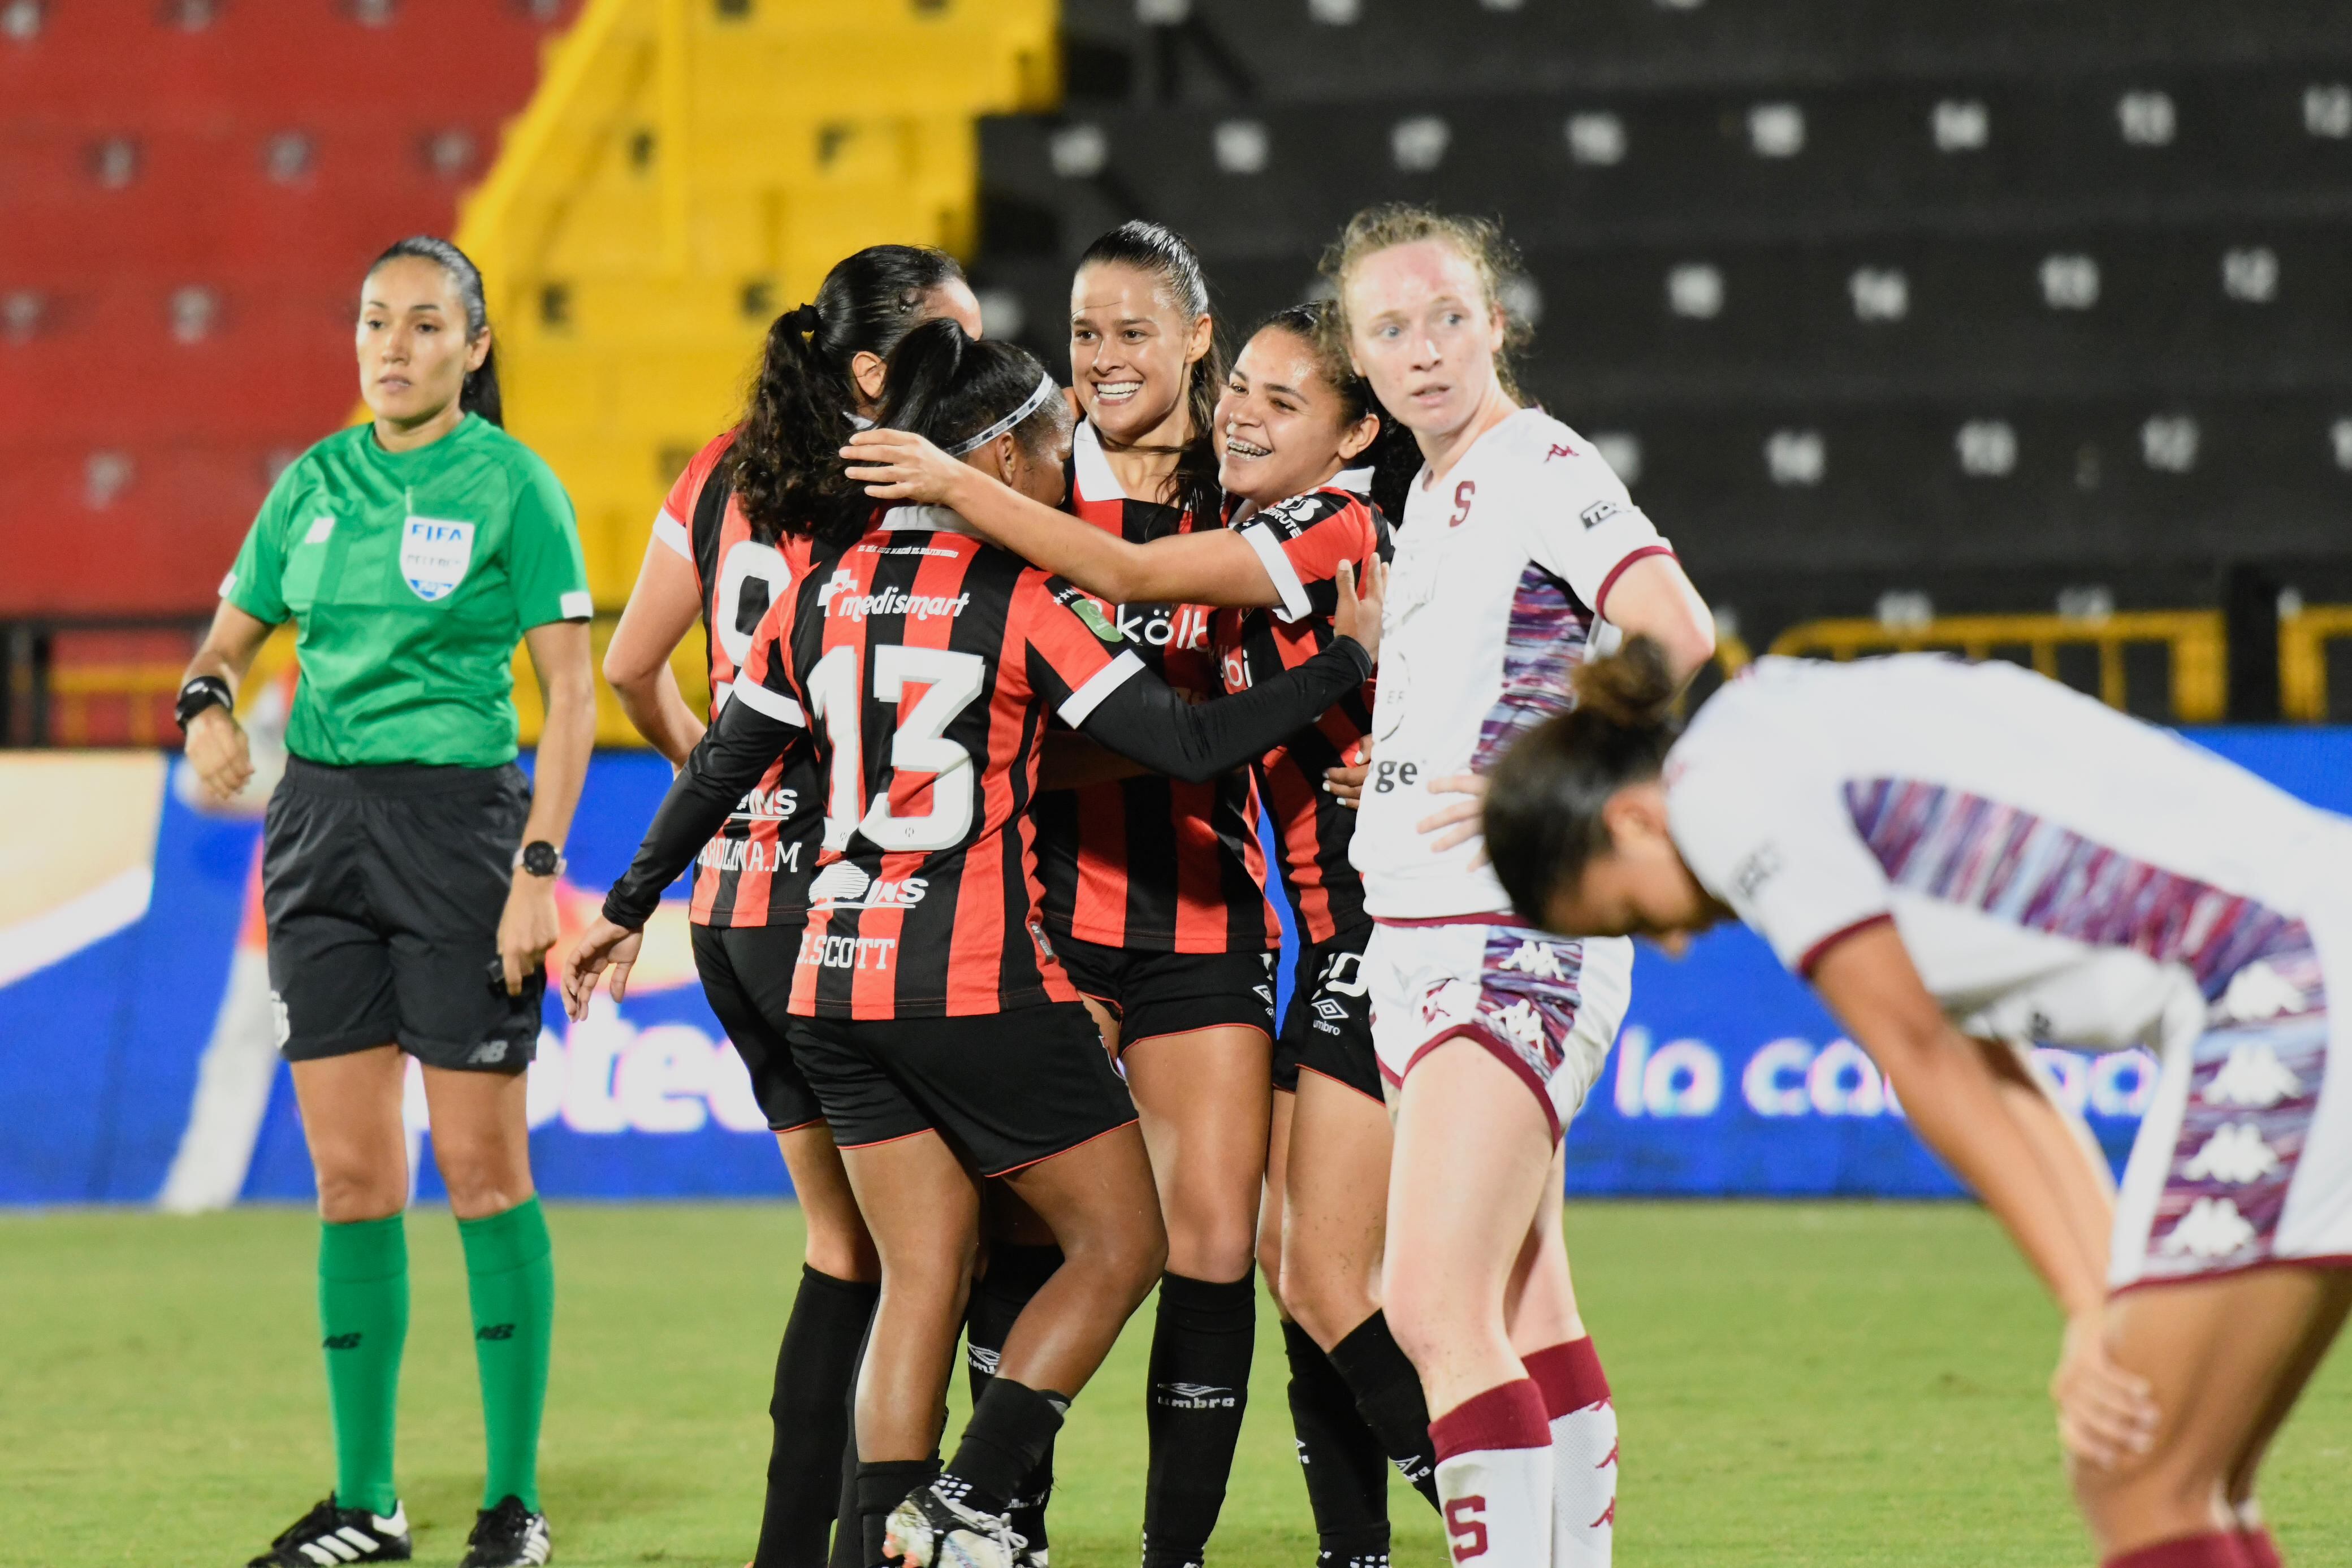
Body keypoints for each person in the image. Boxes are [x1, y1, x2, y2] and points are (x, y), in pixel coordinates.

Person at [560, 322, 1390, 1568]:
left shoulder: (821, 588)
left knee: (920, 1274)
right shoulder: (1021, 599)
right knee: (1124, 1243)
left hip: (825, 977)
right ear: (999, 455)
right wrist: (1339, 661)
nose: (1071, 461)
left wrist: (626, 903)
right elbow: (1189, 748)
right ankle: (965, 1503)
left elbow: (725, 756)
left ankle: (874, 1545)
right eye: (1054, 440)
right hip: (971, 973)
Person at [1483, 644, 2352, 1568]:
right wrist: (2099, 1298)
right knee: (2189, 1473)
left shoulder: (1726, 797)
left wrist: (2092, 1312)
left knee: (2137, 1469)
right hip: (2306, 948)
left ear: (1633, 818)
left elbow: (1921, 1056)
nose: (1673, 941)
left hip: (2280, 987)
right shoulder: (1777, 724)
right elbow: (1993, 1069)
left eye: (1630, 915)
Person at [844, 300, 1442, 1566]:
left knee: (1278, 1259)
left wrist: (956, 483)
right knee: (1287, 1263)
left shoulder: (1301, 531)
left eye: (1285, 402)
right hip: (1144, 924)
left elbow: (1145, 607)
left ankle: (1506, 1498)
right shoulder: (1150, 527)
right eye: (1082, 331)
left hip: (1359, 933)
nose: (1247, 413)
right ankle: (1348, 1543)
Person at [175, 235, 594, 1568]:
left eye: (424, 325)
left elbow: (574, 698)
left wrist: (538, 871)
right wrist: (204, 709)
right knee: (353, 1180)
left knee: (482, 1174)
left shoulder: (513, 485)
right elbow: (227, 641)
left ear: (475, 348)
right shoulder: (311, 485)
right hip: (317, 834)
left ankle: (515, 1503)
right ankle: (368, 1503)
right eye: (373, 322)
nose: (392, 345)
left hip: (461, 835)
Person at [1324, 203, 1718, 1568]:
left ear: (1497, 323)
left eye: (1448, 316)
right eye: (1391, 328)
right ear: (1358, 362)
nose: (1425, 348)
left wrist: (1542, 783)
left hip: (1505, 928)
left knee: (1428, 1305)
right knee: (1522, 1299)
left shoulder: (1540, 459)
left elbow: (1677, 625)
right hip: (1425, 926)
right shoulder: (1429, 494)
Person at [600, 244, 982, 1568]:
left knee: (847, 1246)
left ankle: (799, 1545)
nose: (974, 370)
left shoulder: (721, 467)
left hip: (729, 909)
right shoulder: (901, 480)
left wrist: (717, 774)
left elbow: (630, 664)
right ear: (877, 367)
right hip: (854, 909)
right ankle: (915, 1530)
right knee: (929, 1250)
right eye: (952, 343)